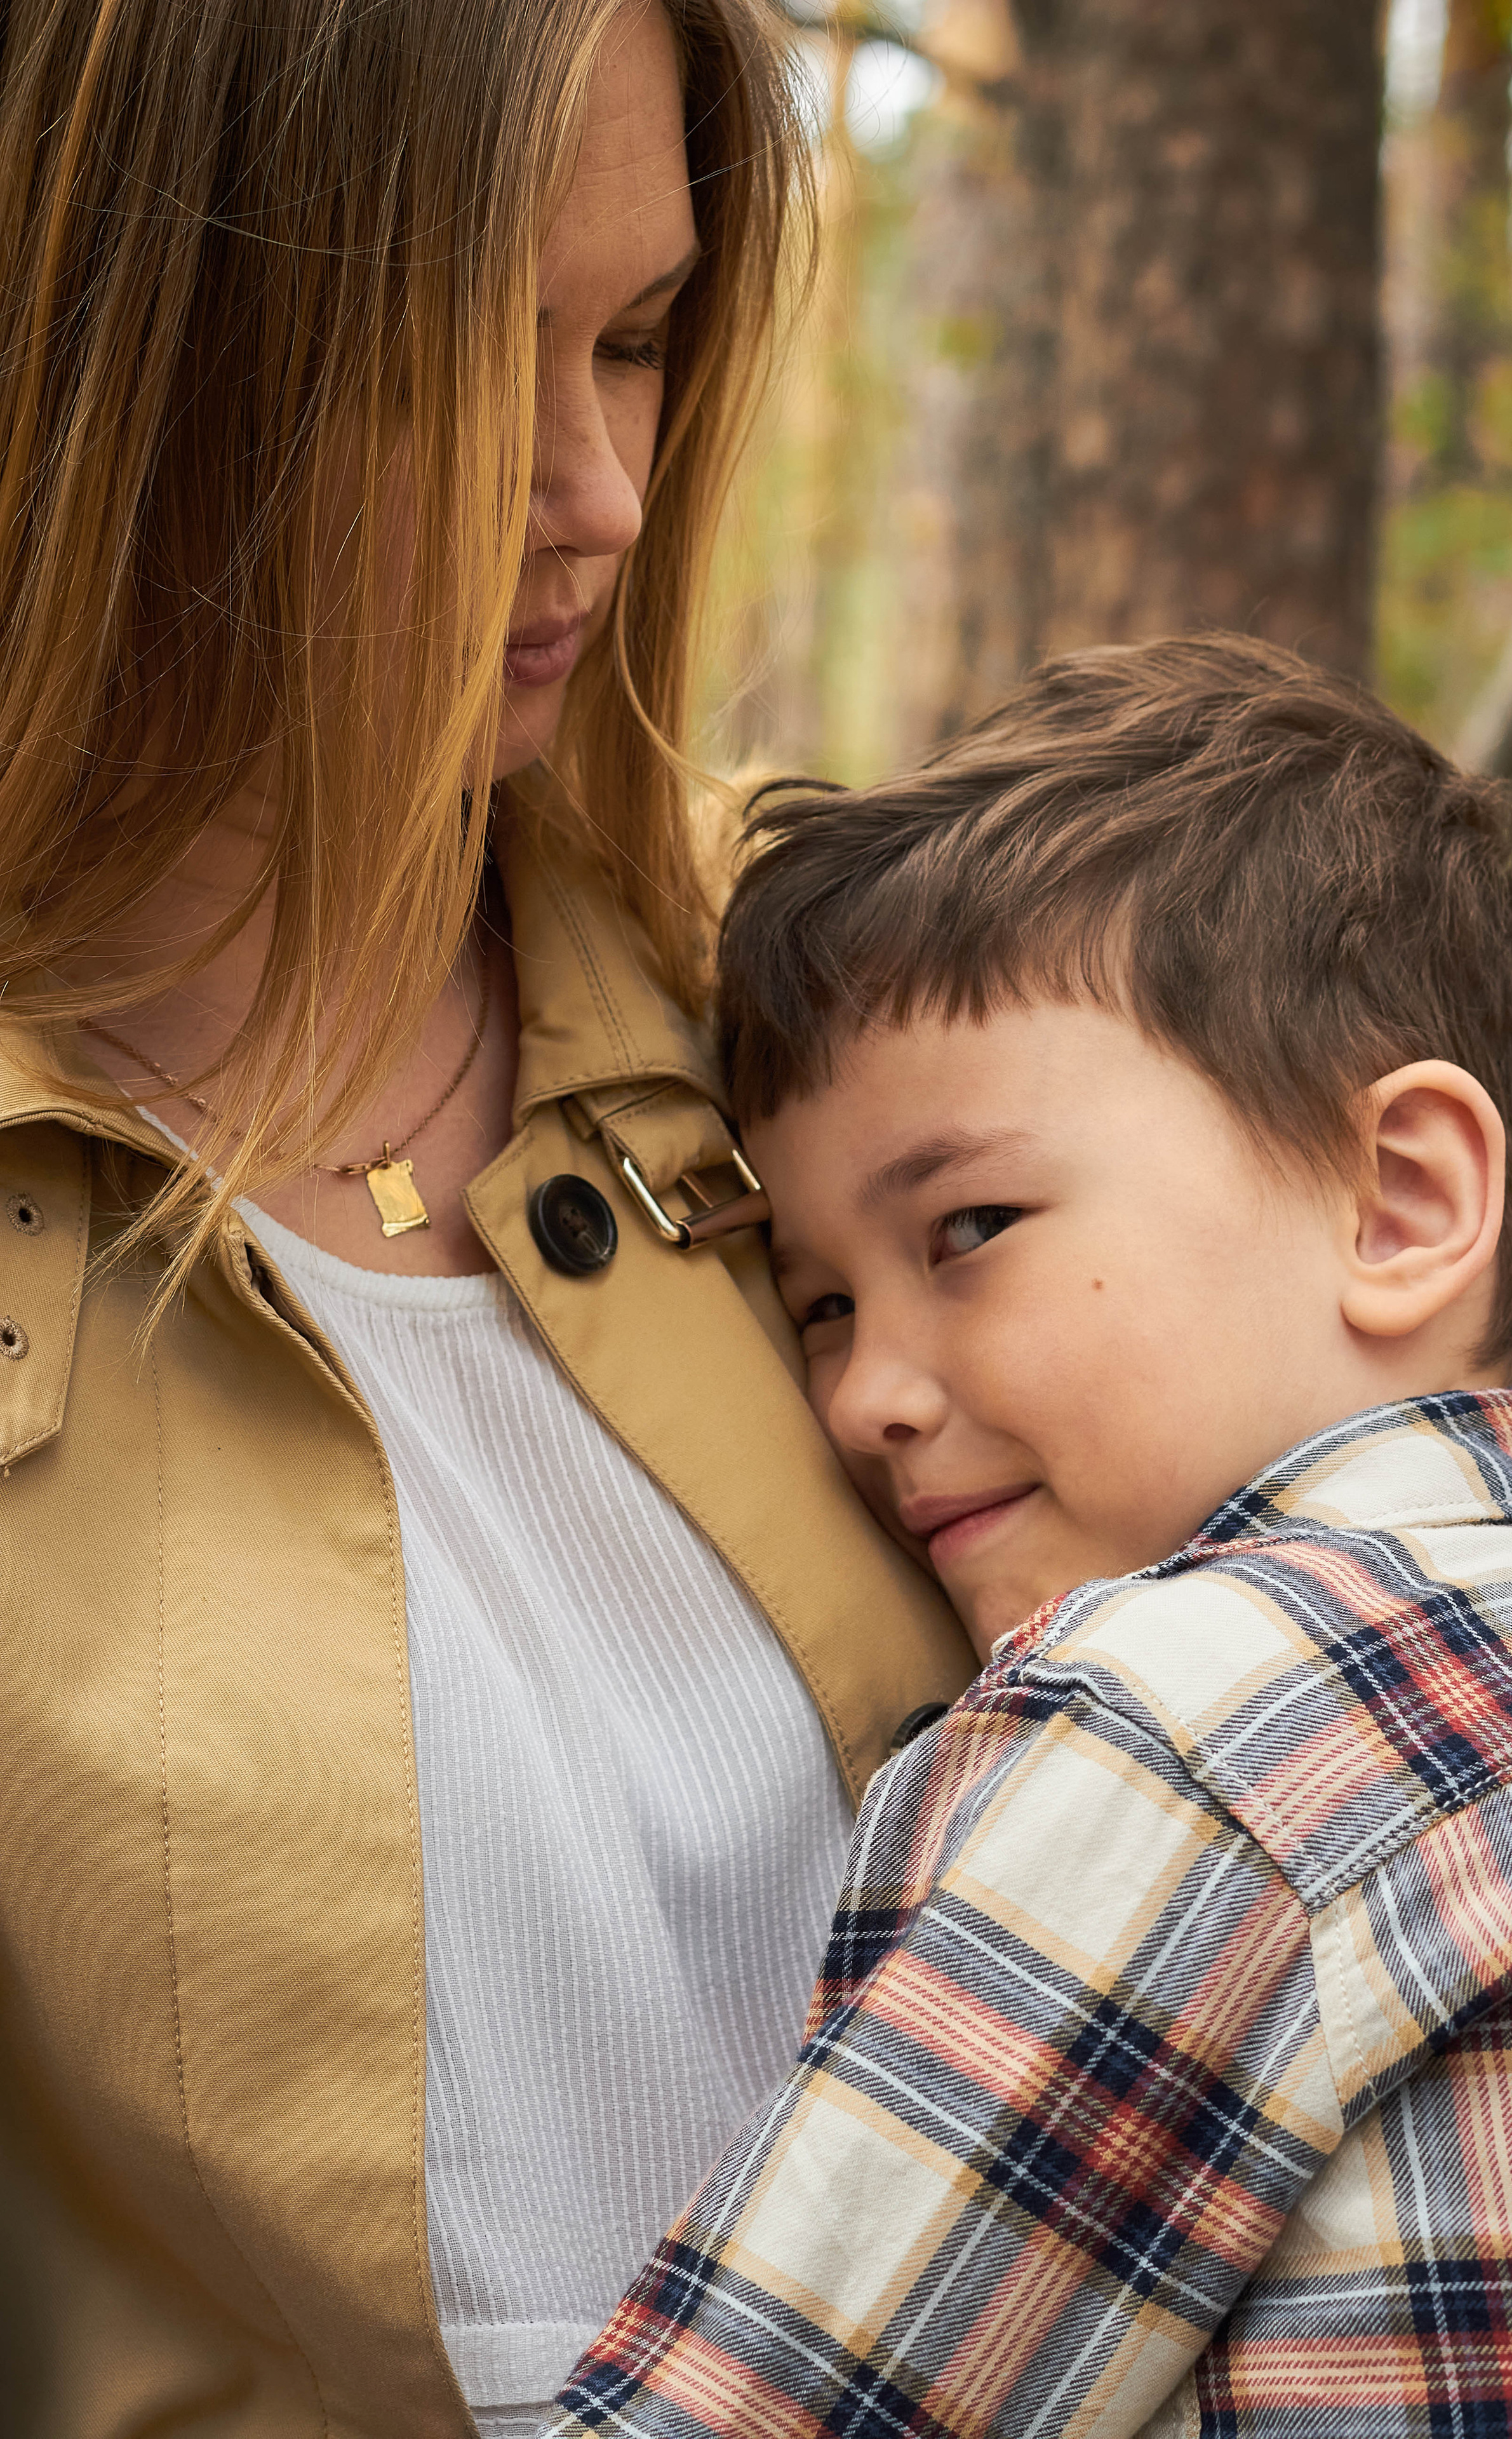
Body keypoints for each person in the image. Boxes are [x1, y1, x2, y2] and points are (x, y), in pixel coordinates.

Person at [0, 1, 973, 2430]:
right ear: (105, 347)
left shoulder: (835, 1013)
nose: (601, 490)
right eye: (446, 361)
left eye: (639, 342)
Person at [542, 637, 1512, 2438]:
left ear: (1404, 1197)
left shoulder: (1196, 1727)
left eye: (968, 1224)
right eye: (814, 1305)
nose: (864, 1396)